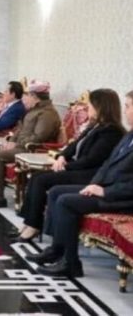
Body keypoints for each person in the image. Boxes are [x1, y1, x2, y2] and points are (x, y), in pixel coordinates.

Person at [26, 90, 133, 277]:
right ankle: (57, 250)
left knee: (67, 201)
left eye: (128, 106)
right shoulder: (129, 136)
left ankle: (71, 264)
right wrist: (95, 185)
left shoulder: (115, 132)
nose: (125, 111)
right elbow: (107, 165)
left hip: (122, 198)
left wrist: (104, 192)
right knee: (56, 192)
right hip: (106, 189)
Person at [14, 89, 124, 242]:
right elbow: (73, 145)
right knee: (37, 177)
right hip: (77, 168)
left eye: (90, 104)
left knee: (41, 180)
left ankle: (34, 225)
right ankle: (28, 222)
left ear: (100, 106)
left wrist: (66, 167)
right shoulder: (94, 126)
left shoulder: (112, 132)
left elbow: (92, 160)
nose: (87, 107)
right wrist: (61, 156)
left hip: (89, 173)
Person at [0, 80, 61, 209]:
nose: (25, 99)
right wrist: (11, 141)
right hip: (20, 146)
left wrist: (17, 144)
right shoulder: (33, 110)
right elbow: (20, 129)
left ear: (35, 97)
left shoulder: (47, 113)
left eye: (27, 95)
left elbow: (39, 137)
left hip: (31, 150)